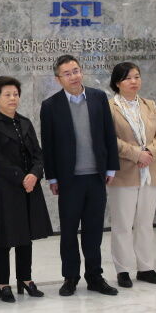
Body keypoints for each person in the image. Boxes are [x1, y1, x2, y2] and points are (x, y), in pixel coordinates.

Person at [40, 55, 120, 297]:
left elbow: (109, 133)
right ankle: (70, 277)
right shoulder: (50, 105)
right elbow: (48, 145)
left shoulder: (98, 97)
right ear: (58, 79)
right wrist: (52, 178)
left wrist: (111, 167)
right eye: (67, 73)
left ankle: (95, 276)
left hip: (96, 176)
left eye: (76, 70)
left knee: (94, 231)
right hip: (69, 179)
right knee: (68, 231)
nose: (73, 76)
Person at [0, 76, 52, 302]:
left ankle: (25, 278)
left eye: (15, 94)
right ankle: (3, 283)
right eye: (7, 95)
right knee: (3, 238)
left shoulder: (25, 122)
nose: (13, 98)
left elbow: (38, 154)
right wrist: (22, 178)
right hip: (6, 186)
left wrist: (35, 174)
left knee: (25, 235)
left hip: (29, 186)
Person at [107, 62, 156, 287]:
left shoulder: (150, 105)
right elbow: (109, 138)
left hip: (150, 171)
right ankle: (123, 270)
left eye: (137, 76)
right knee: (123, 225)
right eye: (128, 78)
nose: (134, 81)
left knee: (145, 223)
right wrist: (137, 154)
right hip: (124, 173)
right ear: (117, 82)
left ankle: (146, 268)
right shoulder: (109, 107)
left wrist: (149, 153)